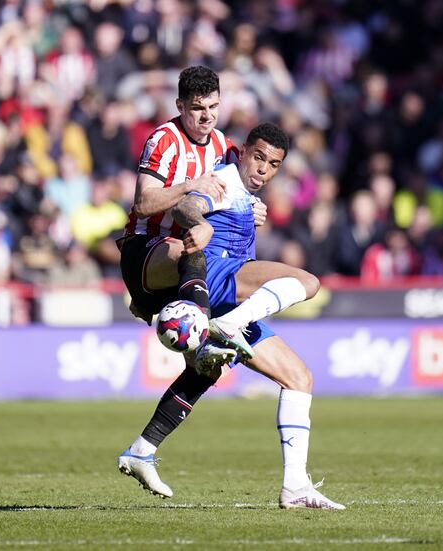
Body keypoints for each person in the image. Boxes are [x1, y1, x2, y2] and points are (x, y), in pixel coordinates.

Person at [118, 123, 345, 510]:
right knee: (306, 281)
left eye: (273, 164)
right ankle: (231, 325)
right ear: (241, 153)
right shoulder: (224, 178)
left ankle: (293, 486)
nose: (262, 169)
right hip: (221, 279)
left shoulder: (250, 196)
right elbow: (189, 205)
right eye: (258, 158)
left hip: (231, 297)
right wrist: (200, 222)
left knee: (297, 378)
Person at [118, 65, 256, 365]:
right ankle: (205, 330)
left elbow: (234, 201)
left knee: (203, 372)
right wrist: (192, 185)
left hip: (189, 263)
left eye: (214, 106)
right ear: (180, 106)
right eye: (197, 108)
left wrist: (253, 209)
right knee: (191, 247)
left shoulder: (226, 147)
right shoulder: (164, 140)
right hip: (145, 247)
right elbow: (143, 203)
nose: (207, 115)